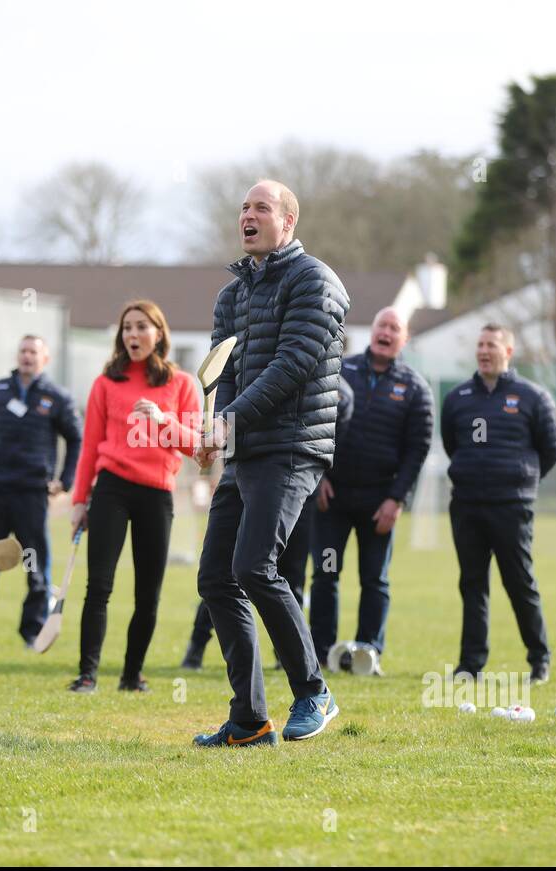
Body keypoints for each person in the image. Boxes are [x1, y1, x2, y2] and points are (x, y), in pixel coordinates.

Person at [193, 180, 348, 747]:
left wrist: (227, 421)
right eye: (243, 207)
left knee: (256, 567)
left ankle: (313, 692)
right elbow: (225, 370)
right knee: (216, 577)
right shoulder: (231, 295)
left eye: (261, 207)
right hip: (245, 449)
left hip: (291, 445)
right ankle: (250, 722)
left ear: (288, 221)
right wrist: (216, 429)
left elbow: (291, 367)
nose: (248, 215)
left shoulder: (315, 281)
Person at [68, 300, 200, 694]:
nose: (132, 335)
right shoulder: (106, 383)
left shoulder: (181, 384)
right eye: (127, 328)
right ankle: (87, 675)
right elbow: (89, 446)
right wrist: (79, 500)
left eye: (141, 327)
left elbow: (197, 448)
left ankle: (131, 675)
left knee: (148, 593)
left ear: (158, 334)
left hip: (157, 493)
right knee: (99, 587)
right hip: (111, 489)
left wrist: (163, 420)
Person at [181, 377, 353, 670]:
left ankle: (286, 659)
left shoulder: (340, 394)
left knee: (287, 575)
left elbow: (333, 442)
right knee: (225, 573)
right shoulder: (253, 371)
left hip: (298, 489)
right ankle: (196, 648)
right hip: (246, 476)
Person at [309, 308, 431, 671]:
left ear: (404, 340)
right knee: (326, 574)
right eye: (382, 325)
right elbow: (315, 424)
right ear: (371, 331)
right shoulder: (340, 371)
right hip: (333, 499)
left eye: (395, 329)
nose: (387, 333)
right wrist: (319, 477)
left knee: (374, 579)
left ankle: (367, 653)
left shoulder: (414, 388)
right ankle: (318, 653)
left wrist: (397, 500)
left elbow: (417, 451)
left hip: (379, 504)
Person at [441, 323, 556, 684]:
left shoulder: (533, 397)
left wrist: (520, 479)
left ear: (507, 352)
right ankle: (471, 665)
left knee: (519, 582)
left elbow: (551, 449)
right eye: (480, 344)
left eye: (491, 345)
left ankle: (539, 659)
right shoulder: (458, 397)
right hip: (467, 506)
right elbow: (452, 444)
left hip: (512, 506)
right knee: (472, 584)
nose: (483, 351)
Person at [0, 335, 81, 651]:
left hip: (32, 494)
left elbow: (76, 439)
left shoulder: (55, 396)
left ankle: (32, 631)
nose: (27, 357)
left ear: (45, 359)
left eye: (34, 352)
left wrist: (65, 480)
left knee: (34, 564)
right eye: (23, 351)